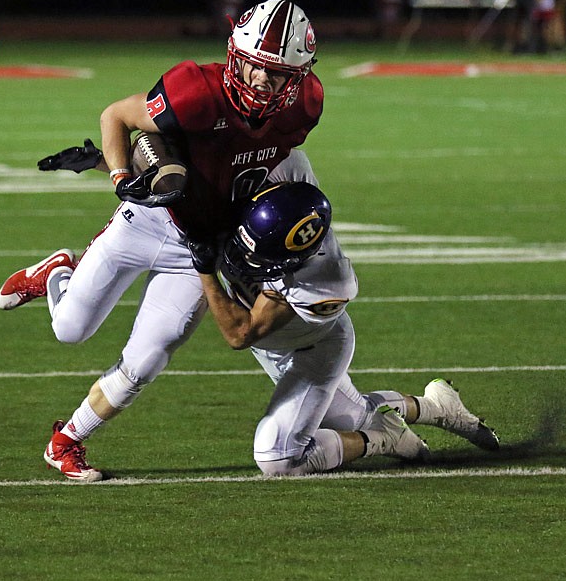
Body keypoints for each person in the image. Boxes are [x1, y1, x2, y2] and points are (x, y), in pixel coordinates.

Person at [0, 0, 322, 482]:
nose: (260, 81)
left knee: (149, 357)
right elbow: (116, 116)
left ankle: (65, 441)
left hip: (199, 245)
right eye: (253, 66)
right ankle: (60, 272)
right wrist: (120, 173)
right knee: (70, 330)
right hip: (147, 220)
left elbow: (251, 167)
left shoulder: (304, 106)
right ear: (235, 56)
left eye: (276, 74)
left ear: (298, 78)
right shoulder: (194, 91)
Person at [187, 182, 500, 475]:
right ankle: (437, 407)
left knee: (278, 456)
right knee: (357, 416)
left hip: (315, 348)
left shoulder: (327, 280)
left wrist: (205, 269)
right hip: (279, 346)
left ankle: (383, 439)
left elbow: (240, 332)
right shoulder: (274, 192)